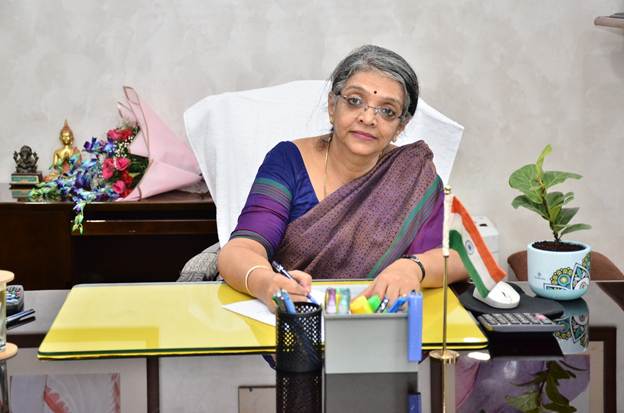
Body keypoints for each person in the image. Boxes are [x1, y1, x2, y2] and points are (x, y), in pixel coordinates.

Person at [218, 45, 467, 311]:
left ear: (400, 126)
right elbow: (240, 250)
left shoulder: (412, 175)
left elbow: (460, 258)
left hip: (377, 321)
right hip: (295, 319)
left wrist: (413, 267)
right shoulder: (288, 161)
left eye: (387, 111)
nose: (368, 118)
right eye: (355, 101)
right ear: (332, 106)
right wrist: (267, 283)